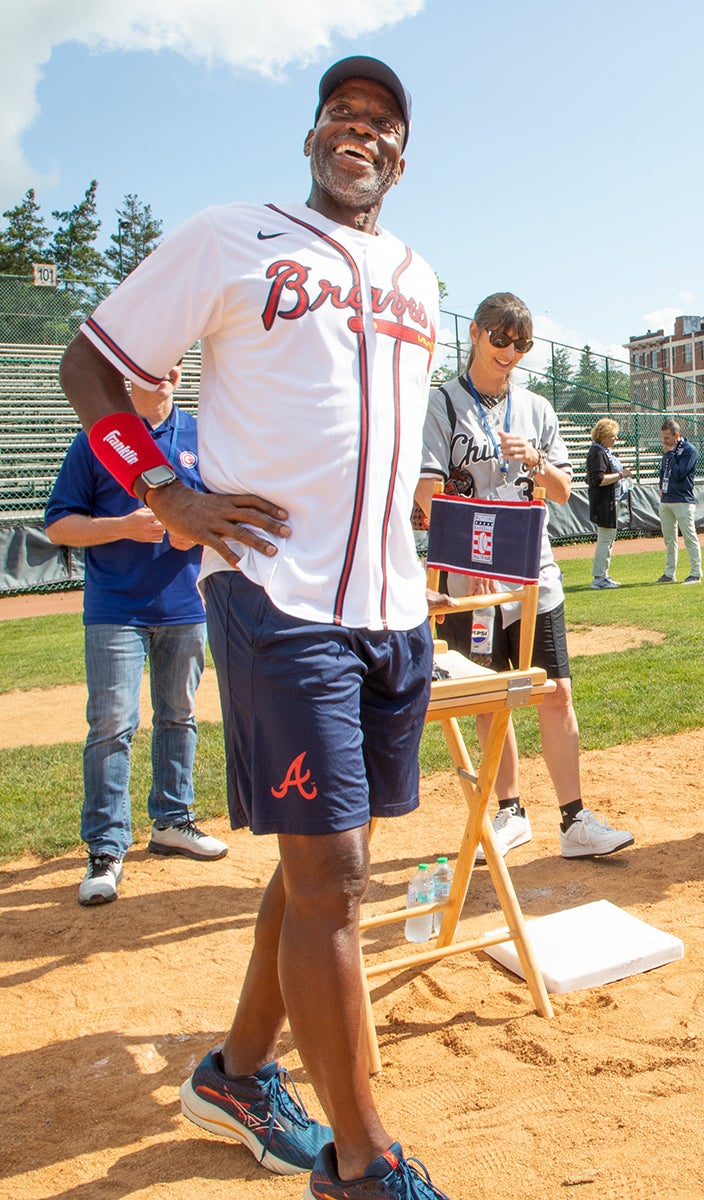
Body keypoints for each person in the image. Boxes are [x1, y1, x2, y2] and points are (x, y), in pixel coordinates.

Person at [59, 56, 453, 1200]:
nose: (359, 129)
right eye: (340, 112)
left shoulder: (417, 277)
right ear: (309, 137)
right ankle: (363, 1165)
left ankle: (235, 1074)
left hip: (387, 601)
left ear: (398, 154)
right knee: (331, 873)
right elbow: (93, 361)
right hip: (275, 594)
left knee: (325, 858)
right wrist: (168, 497)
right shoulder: (230, 234)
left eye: (381, 121)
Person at [416, 292, 635, 862]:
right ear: (476, 335)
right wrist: (473, 565)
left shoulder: (537, 408)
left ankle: (574, 819)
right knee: (489, 698)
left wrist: (536, 460)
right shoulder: (440, 404)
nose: (510, 352)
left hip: (534, 574)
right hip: (471, 582)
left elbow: (563, 492)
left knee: (556, 692)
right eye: (500, 339)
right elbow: (428, 493)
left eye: (522, 344)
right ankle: (509, 810)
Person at [45, 362, 228, 907]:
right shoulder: (100, 439)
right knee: (112, 725)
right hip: (114, 609)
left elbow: (218, 511)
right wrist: (123, 526)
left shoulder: (200, 436)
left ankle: (172, 821)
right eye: (156, 365)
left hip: (183, 606)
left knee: (179, 716)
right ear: (130, 376)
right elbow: (58, 524)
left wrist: (188, 534)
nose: (168, 372)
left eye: (176, 363)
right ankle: (105, 847)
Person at [585, 417, 633, 589]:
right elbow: (598, 479)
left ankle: (603, 574)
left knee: (608, 539)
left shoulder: (603, 452)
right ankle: (598, 578)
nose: (615, 439)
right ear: (603, 435)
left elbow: (589, 477)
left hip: (610, 501)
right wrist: (621, 475)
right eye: (612, 436)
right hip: (604, 502)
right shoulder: (597, 453)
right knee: (605, 539)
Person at [656, 419, 701, 584]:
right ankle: (669, 573)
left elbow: (680, 473)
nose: (664, 442)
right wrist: (661, 486)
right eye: (663, 438)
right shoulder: (667, 450)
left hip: (682, 500)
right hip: (666, 499)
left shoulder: (689, 451)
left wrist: (669, 454)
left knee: (689, 537)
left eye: (667, 438)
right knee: (669, 539)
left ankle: (695, 573)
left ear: (677, 435)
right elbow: (663, 471)